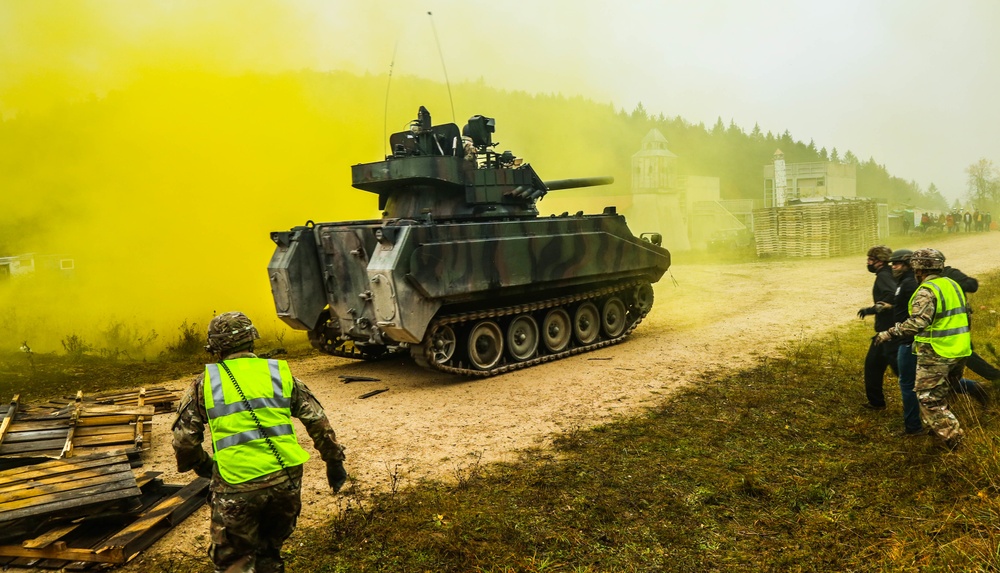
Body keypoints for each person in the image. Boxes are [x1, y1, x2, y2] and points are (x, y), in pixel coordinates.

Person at [172, 311, 348, 573]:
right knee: (269, 552)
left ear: (215, 348)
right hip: (286, 482)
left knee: (234, 561)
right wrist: (334, 462)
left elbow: (184, 440)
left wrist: (202, 465)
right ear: (252, 340)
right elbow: (318, 421)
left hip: (236, 484)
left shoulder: (204, 383)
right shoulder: (279, 373)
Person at [875, 248, 971, 449]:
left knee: (929, 399)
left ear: (918, 269)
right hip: (960, 350)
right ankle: (938, 433)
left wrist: (889, 333)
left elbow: (918, 323)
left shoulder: (927, 290)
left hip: (937, 352)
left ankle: (956, 442)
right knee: (942, 394)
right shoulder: (952, 285)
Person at [857, 245, 898, 410]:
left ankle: (877, 402)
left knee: (902, 373)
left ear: (879, 261)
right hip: (890, 330)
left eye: (870, 259)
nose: (868, 262)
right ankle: (876, 402)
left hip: (888, 332)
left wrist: (872, 309)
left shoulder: (883, 276)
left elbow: (892, 295)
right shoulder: (890, 273)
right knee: (875, 365)